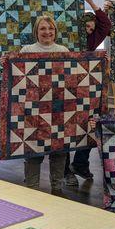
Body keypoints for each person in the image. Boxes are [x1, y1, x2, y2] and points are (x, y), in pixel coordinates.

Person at [64, 0, 113, 185]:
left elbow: (105, 25)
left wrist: (91, 2)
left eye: (92, 25)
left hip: (87, 85)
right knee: (65, 127)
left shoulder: (93, 39)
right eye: (86, 25)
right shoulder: (68, 39)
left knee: (88, 124)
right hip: (66, 85)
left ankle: (80, 164)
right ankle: (65, 169)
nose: (90, 29)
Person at [19, 16, 69, 194]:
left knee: (59, 150)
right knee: (33, 150)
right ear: (36, 31)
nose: (47, 32)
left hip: (57, 108)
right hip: (34, 109)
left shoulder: (63, 50)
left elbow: (71, 80)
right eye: (43, 28)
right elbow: (19, 79)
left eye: (51, 28)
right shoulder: (27, 50)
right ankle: (33, 191)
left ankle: (58, 189)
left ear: (55, 31)